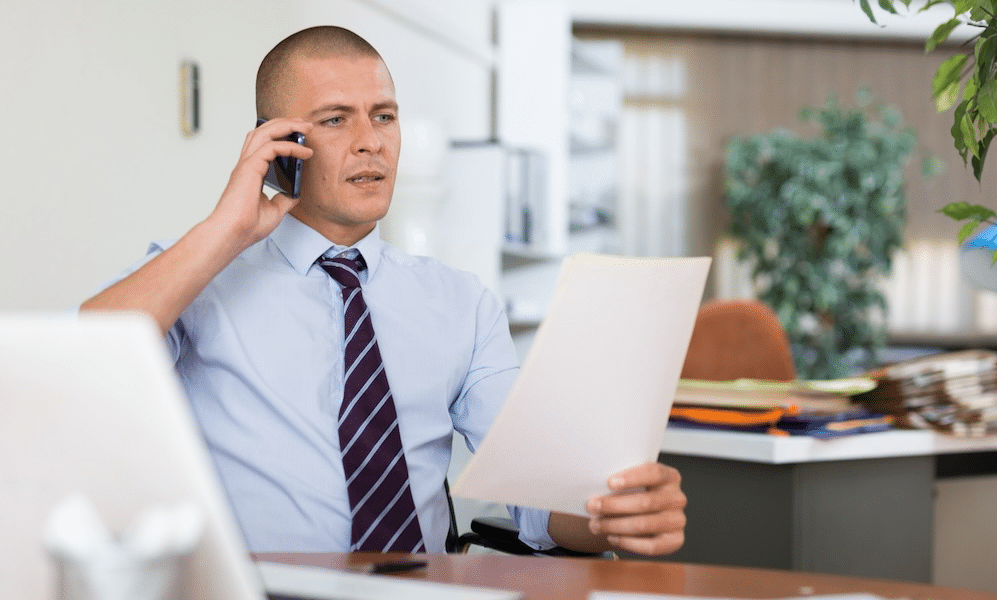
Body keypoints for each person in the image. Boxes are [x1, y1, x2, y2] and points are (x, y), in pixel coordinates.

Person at [81, 25, 685, 556]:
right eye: (336, 119)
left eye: (385, 115)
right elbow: (88, 357)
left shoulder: (461, 303)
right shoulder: (198, 280)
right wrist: (226, 230)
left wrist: (611, 517)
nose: (371, 141)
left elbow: (537, 495)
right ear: (276, 144)